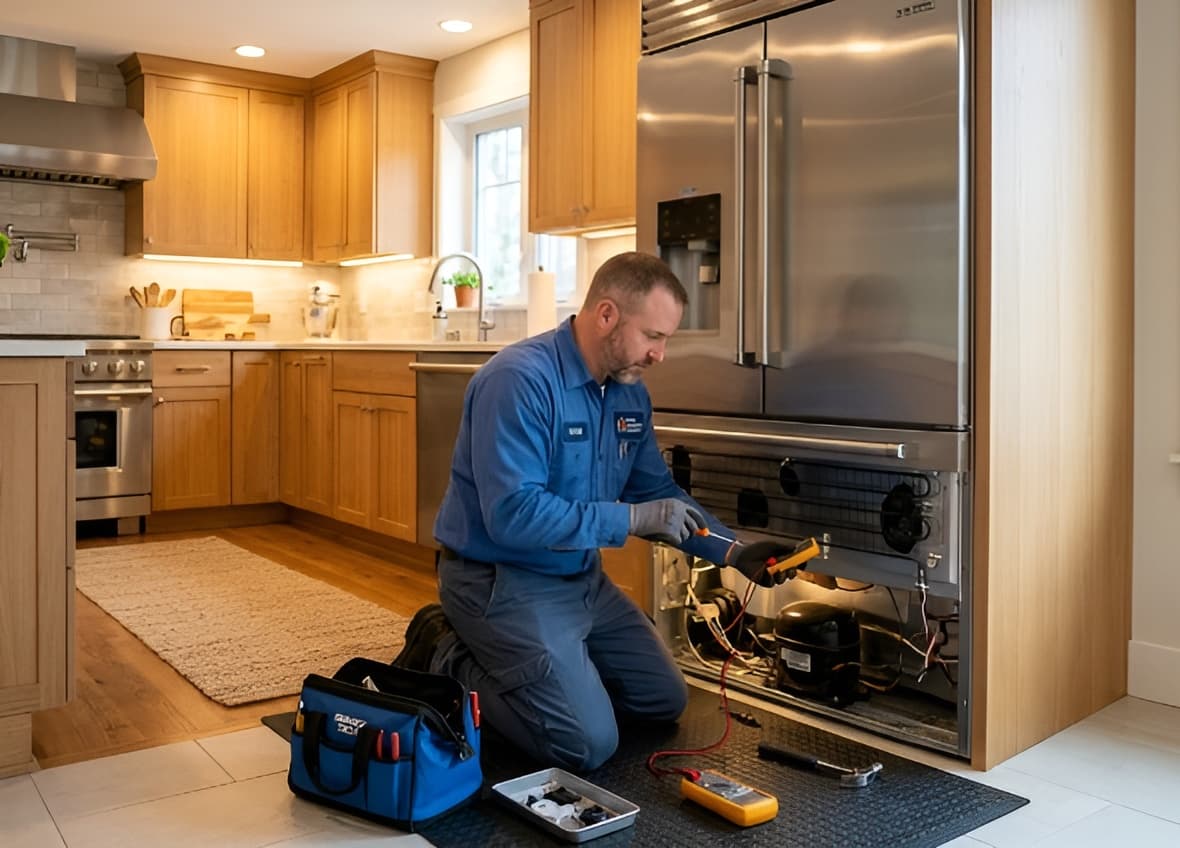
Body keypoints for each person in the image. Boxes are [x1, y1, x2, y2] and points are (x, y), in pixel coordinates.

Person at [394, 251, 803, 771]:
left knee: (663, 700)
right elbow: (513, 515)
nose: (660, 355)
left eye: (666, 340)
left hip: (580, 579)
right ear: (606, 315)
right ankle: (445, 656)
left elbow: (656, 491)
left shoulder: (628, 395)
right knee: (584, 746)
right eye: (653, 337)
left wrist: (734, 551)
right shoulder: (520, 381)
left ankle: (553, 672)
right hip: (498, 581)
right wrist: (633, 521)